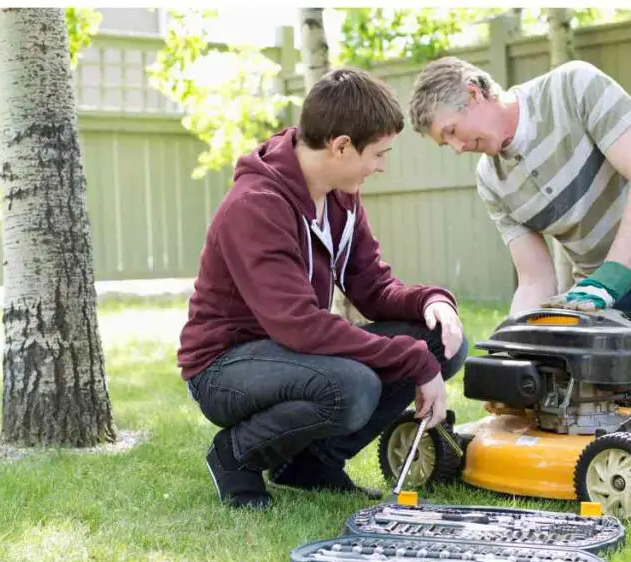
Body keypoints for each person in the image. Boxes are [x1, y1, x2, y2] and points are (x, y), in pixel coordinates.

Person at [177, 67, 469, 510]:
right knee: (352, 386)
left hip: (291, 352)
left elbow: (371, 285)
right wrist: (412, 361)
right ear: (341, 146)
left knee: (442, 343)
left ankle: (312, 465)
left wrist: (432, 300)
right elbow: (301, 327)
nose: (382, 166)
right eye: (378, 154)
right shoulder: (256, 205)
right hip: (225, 368)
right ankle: (235, 455)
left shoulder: (339, 192)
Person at [407, 57, 631, 323]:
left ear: (474, 94)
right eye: (444, 143)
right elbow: (535, 279)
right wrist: (512, 344)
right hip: (602, 286)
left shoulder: (572, 86)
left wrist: (613, 276)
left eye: (451, 131)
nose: (456, 147)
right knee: (580, 390)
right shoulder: (491, 180)